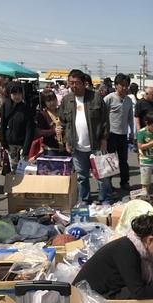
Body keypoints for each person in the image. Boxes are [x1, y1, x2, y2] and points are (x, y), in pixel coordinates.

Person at [72, 214, 153, 299]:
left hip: (107, 292)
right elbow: (139, 292)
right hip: (84, 299)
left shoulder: (144, 252)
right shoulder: (127, 250)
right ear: (150, 240)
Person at [59, 69, 109, 205]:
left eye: (76, 83)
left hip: (96, 144)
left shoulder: (96, 98)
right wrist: (66, 142)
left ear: (84, 83)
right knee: (82, 177)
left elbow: (105, 120)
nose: (73, 86)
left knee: (101, 175)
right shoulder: (66, 100)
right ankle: (85, 200)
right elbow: (63, 123)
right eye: (71, 83)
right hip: (77, 146)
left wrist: (104, 139)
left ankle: (105, 199)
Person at [104, 73, 135, 192]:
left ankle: (124, 182)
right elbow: (103, 116)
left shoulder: (128, 100)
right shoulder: (109, 98)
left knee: (123, 160)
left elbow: (130, 117)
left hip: (123, 134)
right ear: (116, 85)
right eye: (122, 85)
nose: (124, 88)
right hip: (111, 134)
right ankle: (108, 184)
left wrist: (132, 132)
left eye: (126, 86)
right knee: (110, 161)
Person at [0, 81, 35, 173]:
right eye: (14, 93)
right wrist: (3, 142)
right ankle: (14, 186)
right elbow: (3, 124)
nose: (17, 96)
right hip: (10, 143)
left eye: (19, 93)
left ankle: (23, 187)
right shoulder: (5, 106)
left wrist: (26, 148)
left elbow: (30, 130)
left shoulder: (26, 108)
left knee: (22, 170)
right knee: (13, 169)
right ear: (9, 94)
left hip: (23, 144)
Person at [36, 89, 67, 156]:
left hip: (65, 148)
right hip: (50, 149)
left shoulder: (62, 112)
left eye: (54, 99)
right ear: (44, 102)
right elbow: (39, 132)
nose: (52, 102)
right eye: (49, 101)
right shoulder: (43, 115)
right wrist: (53, 131)